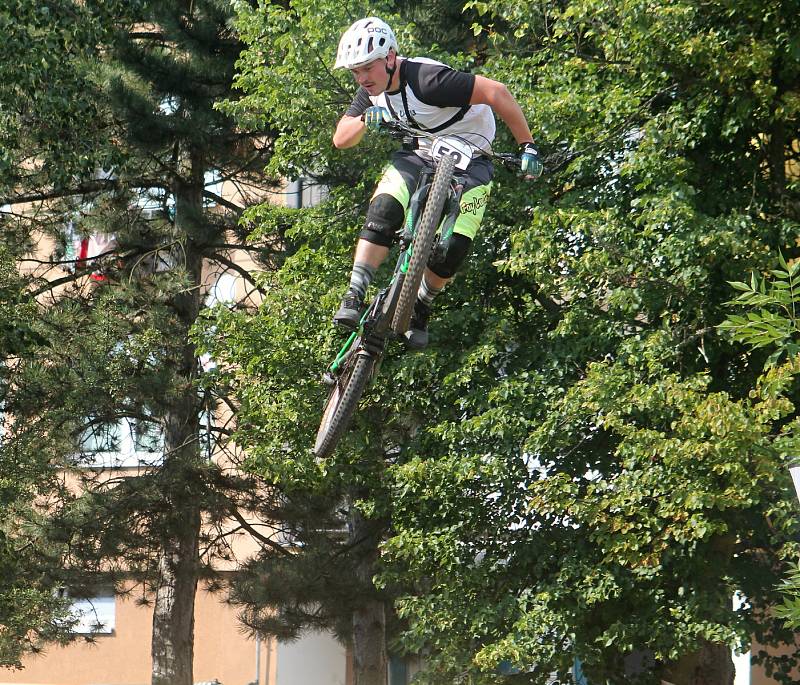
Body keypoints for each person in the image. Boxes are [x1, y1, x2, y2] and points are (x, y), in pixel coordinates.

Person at [332, 16, 542, 349]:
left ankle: (421, 305)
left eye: (367, 68)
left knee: (453, 246)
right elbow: (341, 139)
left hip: (473, 154)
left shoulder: (429, 80)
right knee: (384, 208)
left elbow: (496, 92)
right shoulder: (369, 91)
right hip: (422, 150)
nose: (362, 78)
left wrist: (527, 145)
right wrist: (363, 119)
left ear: (390, 58)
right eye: (355, 71)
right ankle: (355, 292)